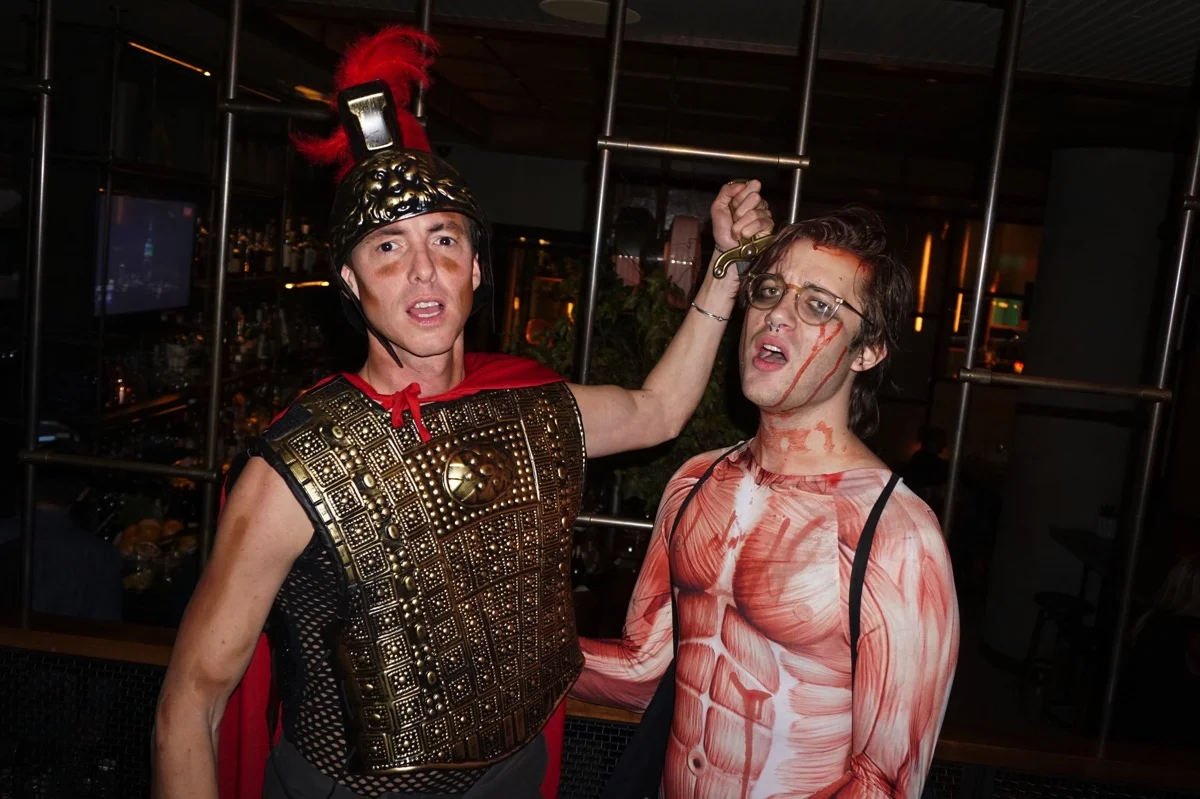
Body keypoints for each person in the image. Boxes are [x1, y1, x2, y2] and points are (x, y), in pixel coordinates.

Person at [151, 25, 772, 799]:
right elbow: (189, 704)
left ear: (475, 268)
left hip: (515, 775)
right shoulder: (296, 468)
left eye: (443, 240)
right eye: (387, 247)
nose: (423, 269)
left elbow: (658, 410)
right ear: (349, 282)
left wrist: (725, 265)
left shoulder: (529, 408)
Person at [572, 208, 960, 799]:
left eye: (819, 305)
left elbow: (884, 782)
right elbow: (643, 671)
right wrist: (497, 647)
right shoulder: (695, 483)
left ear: (868, 351)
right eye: (771, 290)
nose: (777, 313)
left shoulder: (896, 535)